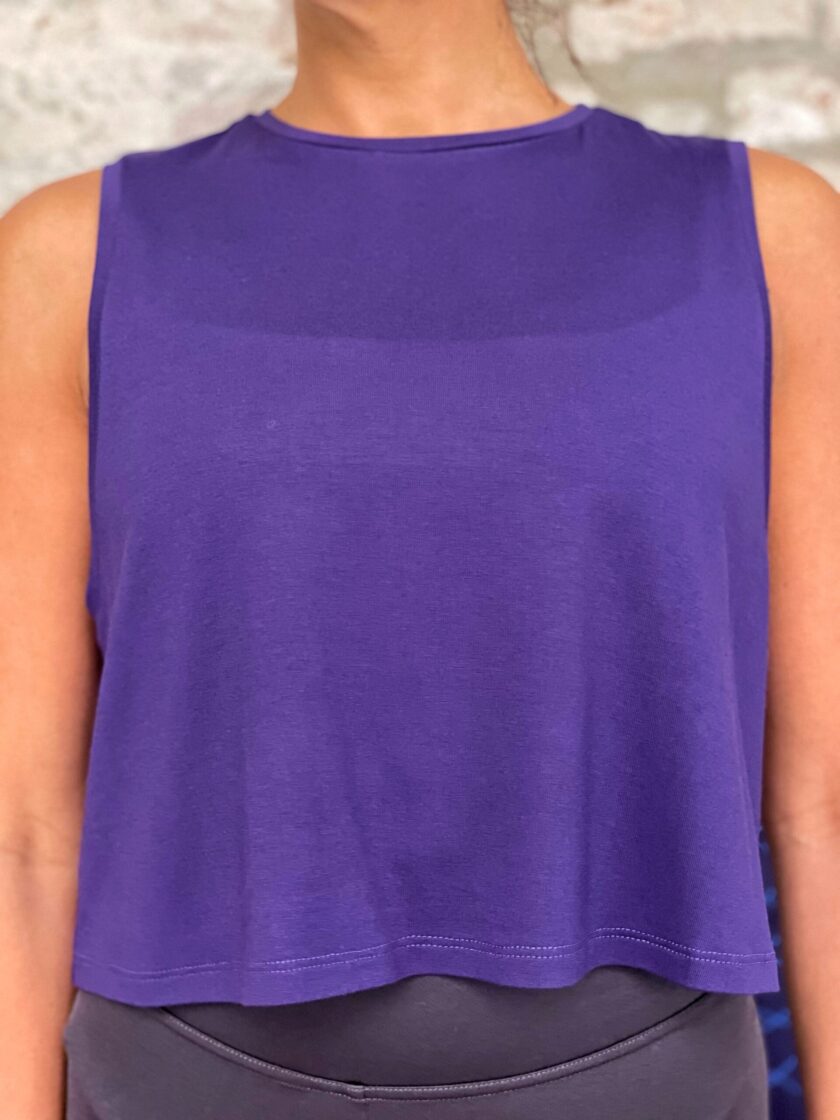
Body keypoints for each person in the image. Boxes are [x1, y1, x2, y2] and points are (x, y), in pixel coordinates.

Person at [1, 1, 838, 1117]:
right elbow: (24, 829)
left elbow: (825, 799)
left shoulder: (771, 241)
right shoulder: (67, 260)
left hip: (647, 1084)